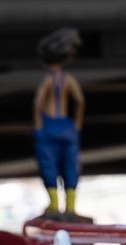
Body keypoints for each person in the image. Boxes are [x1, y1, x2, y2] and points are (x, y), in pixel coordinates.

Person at [32, 28, 85, 218]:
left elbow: (38, 101)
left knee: (49, 164)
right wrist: (77, 124)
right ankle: (70, 206)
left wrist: (38, 124)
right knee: (70, 165)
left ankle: (54, 203)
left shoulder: (48, 79)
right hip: (67, 127)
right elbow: (80, 101)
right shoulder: (68, 79)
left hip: (48, 126)